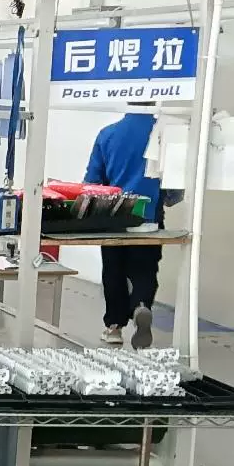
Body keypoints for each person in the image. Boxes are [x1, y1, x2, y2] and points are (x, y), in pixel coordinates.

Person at [84, 104, 166, 348]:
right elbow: (174, 181)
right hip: (149, 218)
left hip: (114, 217)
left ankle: (114, 327)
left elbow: (93, 181)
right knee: (145, 269)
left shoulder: (108, 134)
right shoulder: (162, 135)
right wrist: (168, 197)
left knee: (114, 271)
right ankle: (141, 305)